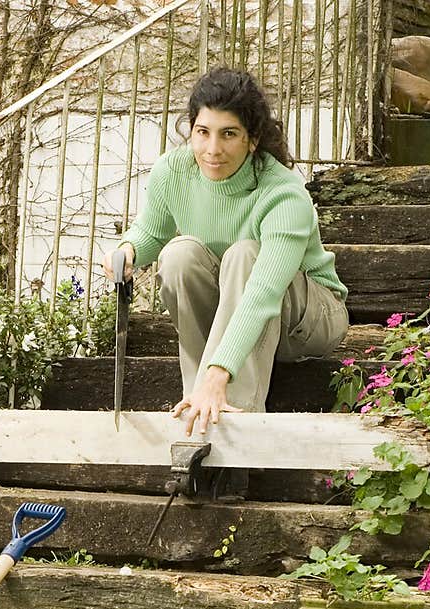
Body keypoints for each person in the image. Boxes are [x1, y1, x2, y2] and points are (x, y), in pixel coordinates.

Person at [103, 66, 349, 438]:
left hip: (305, 321)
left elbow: (263, 294)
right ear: (191, 129)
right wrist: (128, 249)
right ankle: (196, 408)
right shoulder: (174, 171)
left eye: (229, 134)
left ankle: (237, 431)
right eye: (203, 132)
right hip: (233, 304)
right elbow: (151, 232)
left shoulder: (283, 193)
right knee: (179, 254)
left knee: (245, 255)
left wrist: (220, 372)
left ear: (253, 140)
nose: (212, 149)